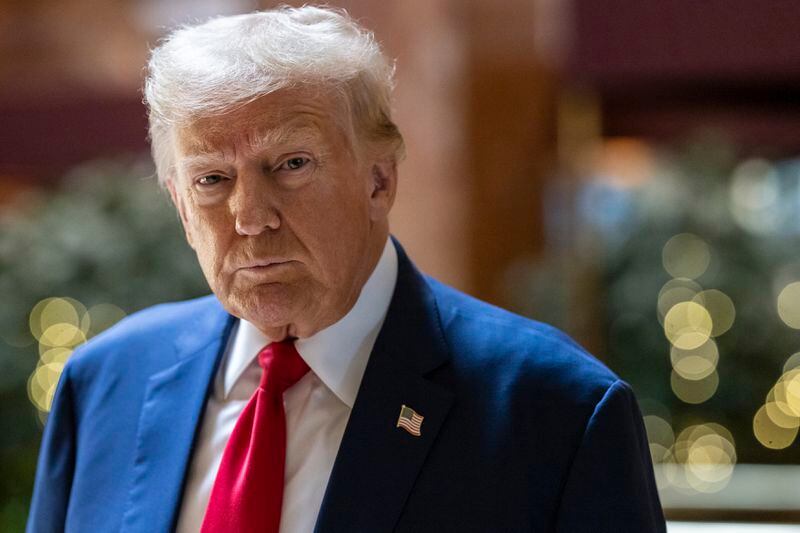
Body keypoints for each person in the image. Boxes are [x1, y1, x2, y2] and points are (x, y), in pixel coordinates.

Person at [27, 6, 666, 533]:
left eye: (291, 164)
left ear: (379, 179)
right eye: (213, 179)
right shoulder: (106, 383)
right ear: (180, 205)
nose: (250, 216)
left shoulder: (556, 412)